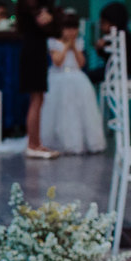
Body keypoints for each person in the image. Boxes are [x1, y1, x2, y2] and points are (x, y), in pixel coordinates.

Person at [40, 11, 104, 155]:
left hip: (77, 78)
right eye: (68, 28)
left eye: (74, 28)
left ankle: (83, 142)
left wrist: (73, 46)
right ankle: (58, 142)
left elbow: (81, 63)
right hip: (58, 79)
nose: (71, 31)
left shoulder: (79, 43)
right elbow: (57, 62)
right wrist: (66, 45)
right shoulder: (53, 42)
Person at [17, 0, 61, 159]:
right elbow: (49, 26)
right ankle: (33, 144)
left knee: (38, 98)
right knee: (36, 98)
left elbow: (54, 27)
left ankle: (36, 143)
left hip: (37, 50)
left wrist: (53, 21)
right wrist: (52, 20)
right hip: (32, 50)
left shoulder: (40, 1)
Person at [86, 1, 131, 85]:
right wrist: (101, 48)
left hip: (120, 73)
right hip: (114, 71)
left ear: (113, 23)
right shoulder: (114, 36)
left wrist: (104, 46)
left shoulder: (122, 37)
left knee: (88, 77)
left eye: (103, 23)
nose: (101, 26)